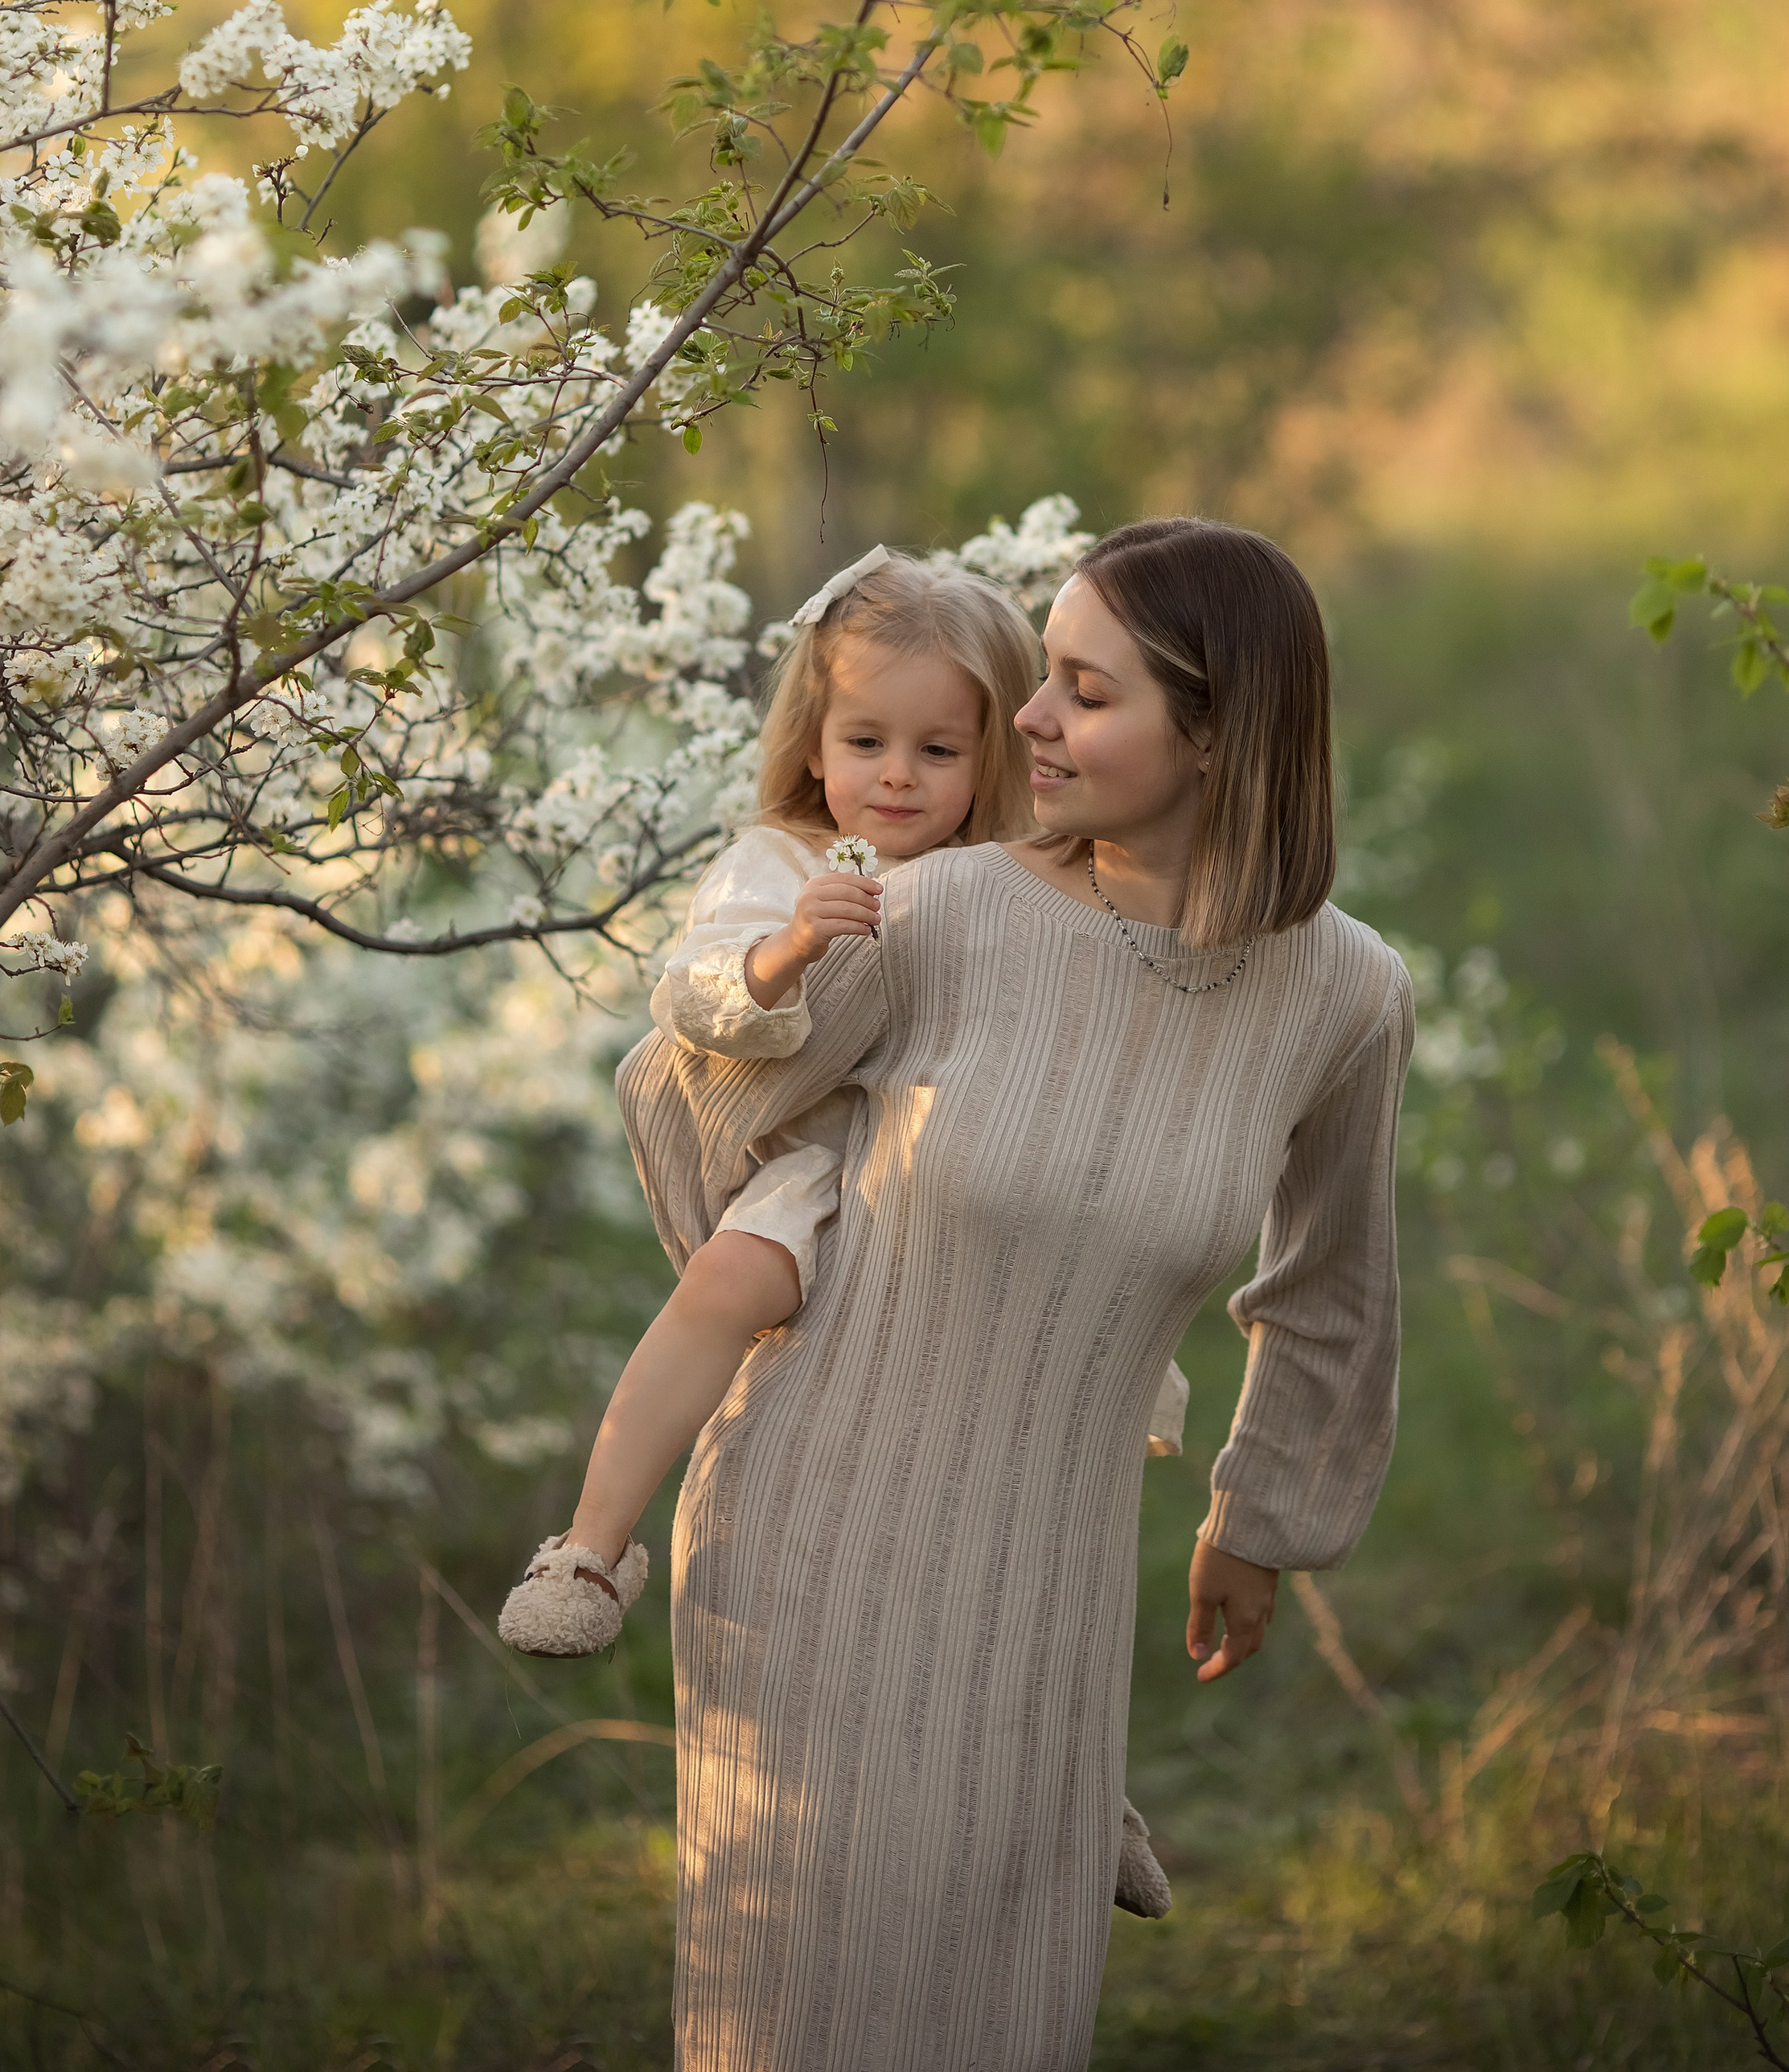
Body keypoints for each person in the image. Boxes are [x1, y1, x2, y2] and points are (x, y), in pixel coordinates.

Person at [622, 515, 1416, 2072]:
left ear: (1214, 736)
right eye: (1038, 681)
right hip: (810, 1546)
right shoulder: (939, 917)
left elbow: (1331, 1288)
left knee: (1003, 2016)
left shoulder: (1341, 995)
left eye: (1081, 691)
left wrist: (1254, 1522)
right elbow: (680, 1101)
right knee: (798, 2025)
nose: (1025, 723)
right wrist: (781, 1227)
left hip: (1047, 1593)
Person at [499, 548, 1043, 1652]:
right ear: (811, 738)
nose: (896, 776)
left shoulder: (1004, 881)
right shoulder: (783, 861)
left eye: (938, 750)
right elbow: (691, 993)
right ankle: (592, 1547)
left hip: (958, 1155)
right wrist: (788, 949)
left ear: (993, 760)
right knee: (731, 1274)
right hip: (818, 1162)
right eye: (865, 742)